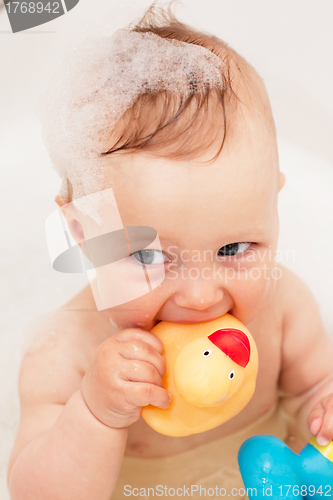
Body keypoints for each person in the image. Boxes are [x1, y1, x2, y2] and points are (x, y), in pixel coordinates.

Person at [7, 2, 333, 499]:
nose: (201, 297)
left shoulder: (284, 310)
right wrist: (97, 414)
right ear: (81, 234)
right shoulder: (66, 356)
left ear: (274, 207)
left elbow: (318, 388)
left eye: (234, 247)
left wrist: (324, 406)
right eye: (146, 257)